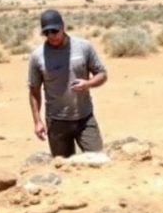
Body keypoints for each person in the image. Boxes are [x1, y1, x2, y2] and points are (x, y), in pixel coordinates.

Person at [27, 9, 108, 157]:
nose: (51, 36)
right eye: (46, 33)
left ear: (63, 27)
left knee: (98, 159)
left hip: (85, 118)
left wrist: (88, 84)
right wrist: (37, 121)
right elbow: (34, 90)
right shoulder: (37, 56)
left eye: (54, 31)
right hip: (56, 122)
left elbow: (102, 74)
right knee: (62, 165)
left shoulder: (83, 47)